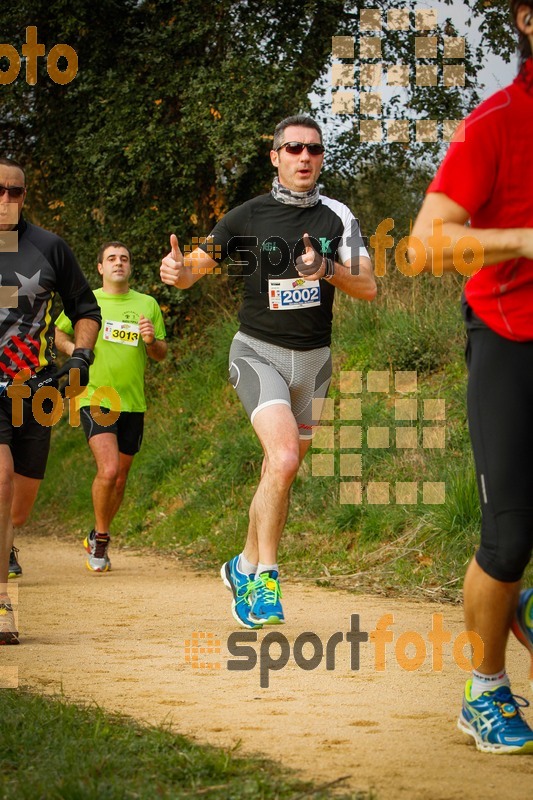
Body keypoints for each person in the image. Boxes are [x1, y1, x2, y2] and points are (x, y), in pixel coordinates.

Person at [160, 115, 376, 629]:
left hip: (315, 363)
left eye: (315, 150)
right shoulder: (245, 216)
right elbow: (194, 268)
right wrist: (177, 273)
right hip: (257, 353)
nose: (305, 158)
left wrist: (325, 270)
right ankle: (265, 581)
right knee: (281, 460)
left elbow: (368, 287)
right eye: (294, 148)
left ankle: (243, 565)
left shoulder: (336, 216)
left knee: (279, 470)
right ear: (275, 157)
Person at [410, 2, 533, 754]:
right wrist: (524, 239)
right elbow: (424, 246)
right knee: (507, 536)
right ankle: (483, 688)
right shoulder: (492, 122)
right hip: (509, 339)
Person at [0, 157, 101, 644]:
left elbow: (84, 307)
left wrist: (81, 355)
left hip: (32, 391)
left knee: (17, 510)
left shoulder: (49, 247)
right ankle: (2, 608)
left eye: (15, 192)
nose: (6, 199)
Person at [55, 242, 167, 572]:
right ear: (101, 268)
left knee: (119, 480)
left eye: (124, 259)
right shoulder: (85, 300)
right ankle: (102, 540)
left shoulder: (147, 304)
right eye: (111, 259)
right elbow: (58, 333)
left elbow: (161, 353)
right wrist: (76, 348)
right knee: (109, 470)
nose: (119, 263)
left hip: (133, 401)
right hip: (95, 396)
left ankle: (96, 533)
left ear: (130, 267)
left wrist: (150, 341)